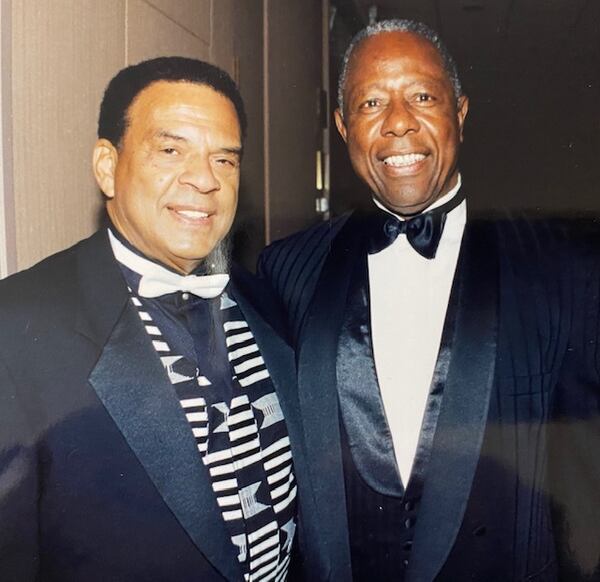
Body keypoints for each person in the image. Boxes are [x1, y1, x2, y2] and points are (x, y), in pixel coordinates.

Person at [259, 19, 600, 581]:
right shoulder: (288, 269)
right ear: (343, 127)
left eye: (421, 96)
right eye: (371, 102)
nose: (398, 123)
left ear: (459, 113)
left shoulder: (562, 267)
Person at [0, 57, 314, 581]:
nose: (204, 180)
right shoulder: (17, 329)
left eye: (225, 160)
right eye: (171, 150)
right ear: (107, 166)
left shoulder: (268, 301)